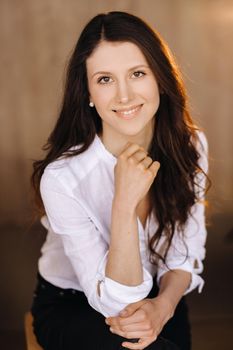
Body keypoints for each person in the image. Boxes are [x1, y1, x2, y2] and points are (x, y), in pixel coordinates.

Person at [30, 11, 209, 350]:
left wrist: (163, 307)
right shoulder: (64, 177)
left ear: (160, 78)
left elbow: (184, 253)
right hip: (73, 303)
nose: (124, 96)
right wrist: (123, 204)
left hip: (160, 292)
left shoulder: (191, 145)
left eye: (137, 73)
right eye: (105, 79)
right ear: (88, 93)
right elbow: (114, 303)